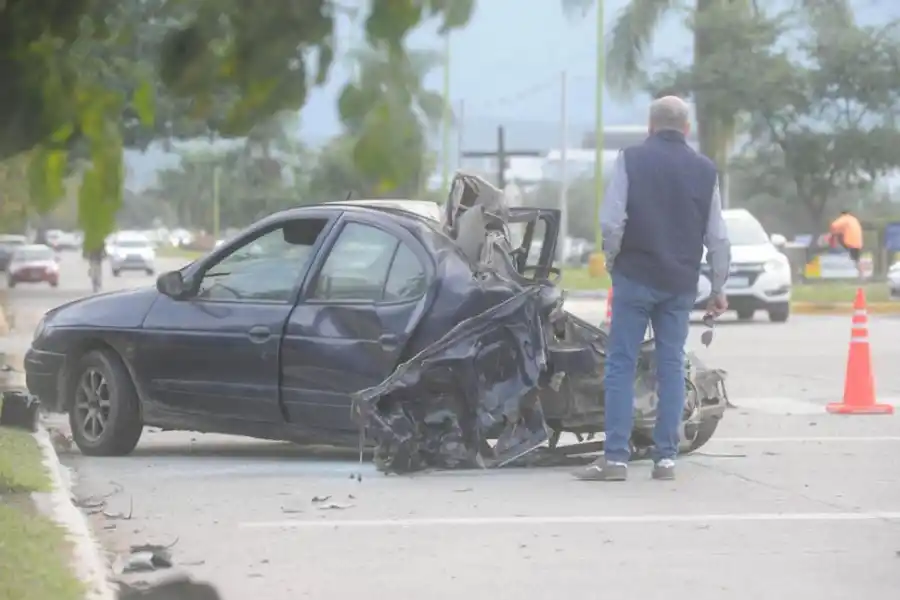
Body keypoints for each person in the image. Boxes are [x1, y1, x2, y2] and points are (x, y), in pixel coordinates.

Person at [574, 96, 732, 482]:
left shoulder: (631, 159)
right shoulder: (705, 170)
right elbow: (718, 236)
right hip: (679, 284)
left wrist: (613, 259)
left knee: (621, 364)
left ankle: (615, 458)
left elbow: (612, 221)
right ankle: (665, 459)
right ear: (686, 129)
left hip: (635, 276)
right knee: (672, 365)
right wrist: (719, 286)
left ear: (650, 126)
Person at [828, 210, 864, 278]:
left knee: (856, 259)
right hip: (858, 242)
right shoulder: (854, 219)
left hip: (850, 242)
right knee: (856, 259)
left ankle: (861, 275)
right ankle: (861, 275)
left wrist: (832, 233)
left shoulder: (844, 218)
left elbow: (834, 225)